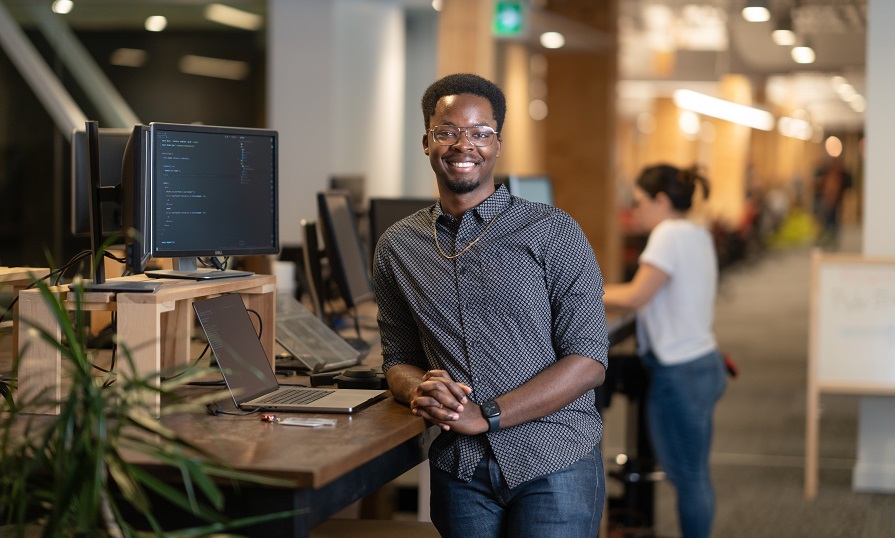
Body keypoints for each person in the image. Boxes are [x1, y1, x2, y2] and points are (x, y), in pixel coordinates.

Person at [372, 73, 609, 537]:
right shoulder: (398, 246)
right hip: (461, 468)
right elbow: (398, 360)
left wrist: (488, 414)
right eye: (448, 132)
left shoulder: (553, 231)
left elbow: (589, 362)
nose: (464, 145)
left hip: (553, 457)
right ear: (426, 142)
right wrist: (419, 388)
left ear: (497, 144)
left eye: (480, 133)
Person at [602, 164, 727, 538]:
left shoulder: (668, 233)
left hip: (680, 372)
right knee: (694, 474)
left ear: (660, 200)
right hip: (704, 364)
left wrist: (573, 290)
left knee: (689, 478)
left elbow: (636, 295)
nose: (635, 210)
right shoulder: (696, 232)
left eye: (639, 202)